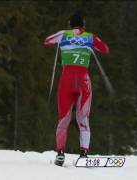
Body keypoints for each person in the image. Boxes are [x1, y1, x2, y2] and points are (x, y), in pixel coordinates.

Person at [44, 12, 109, 166]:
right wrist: (89, 44)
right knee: (83, 118)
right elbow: (105, 49)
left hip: (66, 80)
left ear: (70, 24)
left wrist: (64, 41)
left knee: (64, 118)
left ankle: (60, 153)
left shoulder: (63, 34)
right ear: (83, 25)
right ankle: (84, 154)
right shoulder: (90, 37)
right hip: (83, 81)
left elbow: (46, 41)